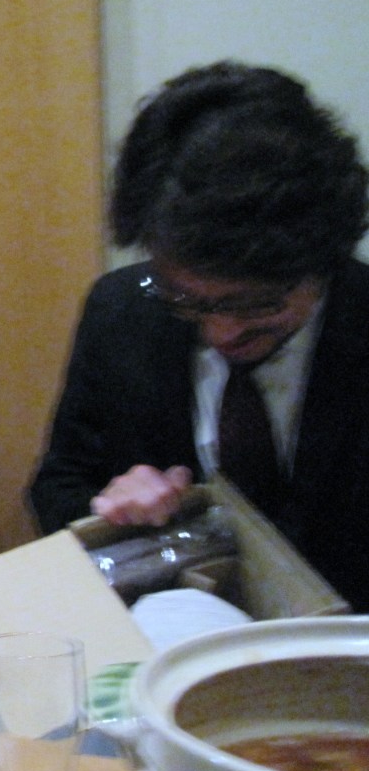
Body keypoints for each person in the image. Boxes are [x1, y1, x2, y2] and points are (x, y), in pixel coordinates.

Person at [29, 60, 369, 613]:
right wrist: (110, 509)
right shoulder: (122, 311)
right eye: (186, 299)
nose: (221, 332)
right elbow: (59, 484)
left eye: (256, 303)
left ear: (324, 262)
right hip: (173, 640)